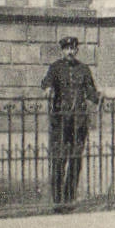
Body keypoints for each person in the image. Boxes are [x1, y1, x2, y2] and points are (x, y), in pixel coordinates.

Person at [41, 35, 99, 208]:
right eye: (67, 49)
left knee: (75, 160)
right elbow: (46, 82)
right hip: (60, 122)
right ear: (62, 50)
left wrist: (98, 97)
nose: (70, 52)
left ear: (76, 50)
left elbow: (91, 91)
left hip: (79, 123)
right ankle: (58, 200)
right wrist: (48, 88)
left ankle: (69, 198)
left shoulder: (84, 69)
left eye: (73, 49)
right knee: (59, 160)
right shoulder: (56, 68)